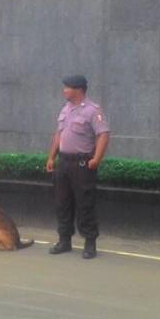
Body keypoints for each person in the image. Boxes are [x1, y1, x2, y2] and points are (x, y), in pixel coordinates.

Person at [45, 75, 110, 259]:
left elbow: (103, 135)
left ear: (79, 89)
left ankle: (90, 243)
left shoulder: (92, 110)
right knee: (62, 203)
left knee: (85, 204)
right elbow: (59, 135)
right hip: (63, 163)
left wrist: (97, 158)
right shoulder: (66, 109)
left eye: (67, 88)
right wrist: (52, 157)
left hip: (82, 164)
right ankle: (64, 240)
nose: (64, 91)